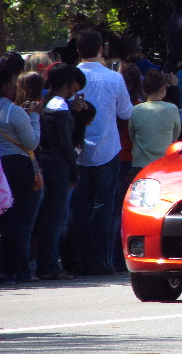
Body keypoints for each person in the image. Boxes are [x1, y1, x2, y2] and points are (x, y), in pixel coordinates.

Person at [67, 29, 133, 276]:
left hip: (78, 151)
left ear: (77, 50)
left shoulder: (71, 76)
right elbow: (126, 113)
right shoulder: (114, 78)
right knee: (104, 207)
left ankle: (78, 258)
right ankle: (100, 260)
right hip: (107, 148)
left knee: (79, 207)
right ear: (101, 49)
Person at [0, 62, 43, 284]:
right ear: (7, 86)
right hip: (18, 168)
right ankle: (20, 271)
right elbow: (31, 141)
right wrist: (34, 116)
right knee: (21, 223)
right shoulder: (13, 111)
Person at [37, 63, 83, 280]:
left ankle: (43, 262)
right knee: (57, 218)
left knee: (47, 217)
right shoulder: (61, 107)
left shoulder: (45, 102)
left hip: (46, 163)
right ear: (67, 83)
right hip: (59, 166)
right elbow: (66, 144)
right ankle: (49, 266)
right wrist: (74, 171)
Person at [128, 70, 181, 179]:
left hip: (140, 163)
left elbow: (132, 136)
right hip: (163, 163)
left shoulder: (135, 110)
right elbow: (176, 135)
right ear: (163, 88)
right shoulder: (172, 109)